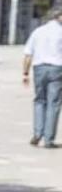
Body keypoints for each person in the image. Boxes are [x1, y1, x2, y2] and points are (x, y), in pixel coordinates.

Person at [24, 8, 62, 147]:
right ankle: (48, 139)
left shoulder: (38, 31)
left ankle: (37, 133)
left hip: (39, 68)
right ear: (59, 17)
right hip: (57, 69)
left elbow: (28, 54)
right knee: (54, 103)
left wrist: (25, 73)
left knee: (40, 100)